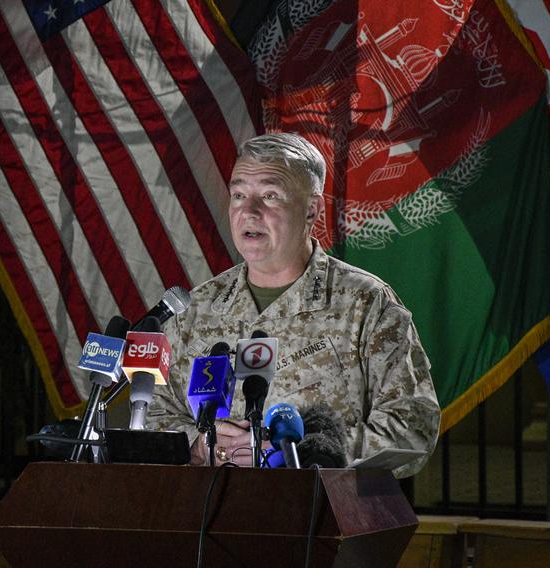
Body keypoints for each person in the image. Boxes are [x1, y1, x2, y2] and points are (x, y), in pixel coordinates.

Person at [146, 132, 440, 478]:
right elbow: (154, 416)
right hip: (212, 521)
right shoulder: (194, 310)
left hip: (324, 518)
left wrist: (304, 452)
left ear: (312, 210)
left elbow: (412, 427)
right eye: (239, 194)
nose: (248, 211)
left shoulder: (364, 304)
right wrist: (199, 443)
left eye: (270, 196)